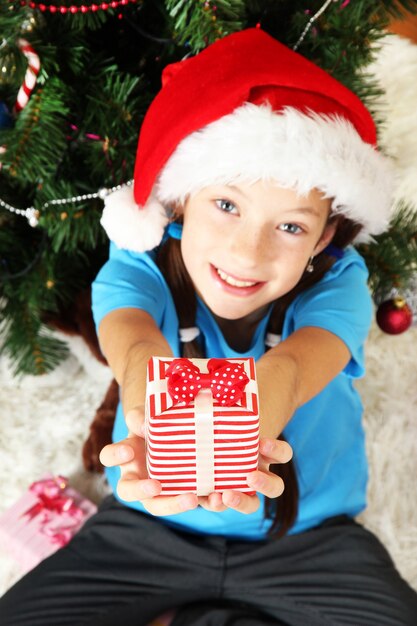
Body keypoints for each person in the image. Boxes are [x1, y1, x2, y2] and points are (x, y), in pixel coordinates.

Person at [2, 27, 416, 626]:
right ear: (180, 201)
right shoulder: (139, 260)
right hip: (147, 529)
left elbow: (294, 367)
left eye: (292, 227)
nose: (248, 255)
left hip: (309, 535)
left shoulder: (340, 280)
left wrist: (251, 424)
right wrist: (147, 403)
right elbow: (134, 342)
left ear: (324, 237)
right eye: (226, 206)